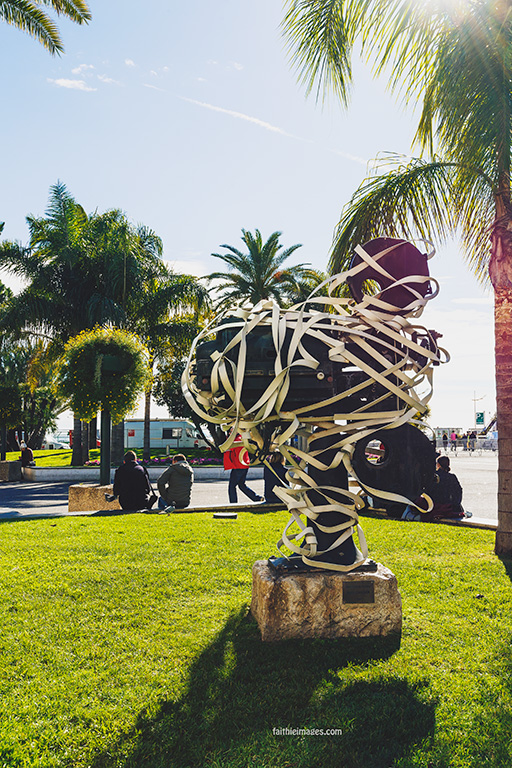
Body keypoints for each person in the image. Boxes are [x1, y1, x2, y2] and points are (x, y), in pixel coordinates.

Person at [223, 437, 263, 503]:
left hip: (238, 466)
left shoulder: (236, 440)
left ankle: (233, 503)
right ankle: (257, 498)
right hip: (244, 465)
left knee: (232, 487)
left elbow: (227, 448)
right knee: (241, 485)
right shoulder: (242, 438)